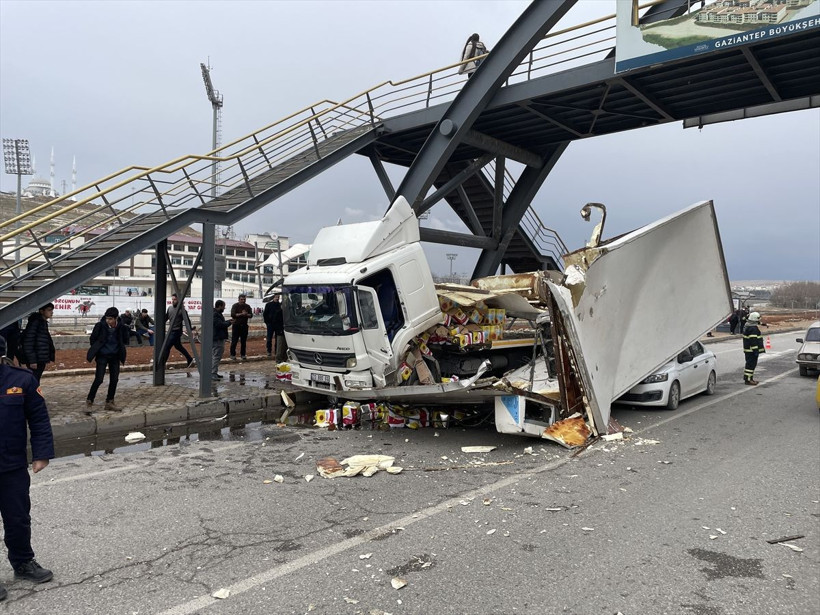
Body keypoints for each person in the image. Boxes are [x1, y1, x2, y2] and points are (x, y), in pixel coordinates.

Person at [0, 334, 55, 601]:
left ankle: (22, 562)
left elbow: (39, 419)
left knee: (18, 519)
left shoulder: (21, 380)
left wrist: (42, 454)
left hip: (11, 467)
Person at [85, 307, 130, 412]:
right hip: (102, 356)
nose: (108, 321)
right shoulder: (100, 326)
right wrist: (99, 349)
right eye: (107, 318)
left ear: (116, 318)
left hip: (115, 356)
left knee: (114, 379)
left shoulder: (121, 327)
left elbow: (124, 340)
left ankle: (109, 401)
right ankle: (89, 401)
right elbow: (92, 339)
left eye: (110, 319)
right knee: (99, 379)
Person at [20, 303, 56, 383]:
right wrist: (32, 361)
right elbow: (28, 342)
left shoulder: (42, 323)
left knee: (35, 381)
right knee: (33, 382)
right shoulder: (35, 323)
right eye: (49, 310)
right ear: (42, 311)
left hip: (40, 359)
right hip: (35, 359)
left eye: (52, 310)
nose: (52, 312)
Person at [163, 293, 194, 368]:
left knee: (167, 346)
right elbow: (166, 318)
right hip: (171, 331)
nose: (173, 301)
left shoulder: (182, 310)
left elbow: (187, 321)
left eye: (175, 299)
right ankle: (189, 358)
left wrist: (189, 330)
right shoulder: (169, 308)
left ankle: (162, 364)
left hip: (176, 331)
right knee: (178, 346)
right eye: (172, 299)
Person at [742, 311, 766, 385]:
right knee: (751, 365)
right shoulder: (753, 329)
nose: (759, 320)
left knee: (749, 364)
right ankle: (748, 380)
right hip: (751, 350)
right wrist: (755, 350)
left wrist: (762, 324)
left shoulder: (748, 326)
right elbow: (753, 341)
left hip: (748, 349)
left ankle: (748, 378)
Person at [211, 300, 232, 380]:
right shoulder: (216, 314)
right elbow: (219, 325)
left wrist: (227, 321)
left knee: (214, 356)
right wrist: (229, 323)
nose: (224, 308)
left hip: (216, 337)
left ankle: (214, 372)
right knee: (216, 356)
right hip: (217, 338)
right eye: (223, 306)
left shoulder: (216, 313)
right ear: (219, 306)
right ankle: (213, 373)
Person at [229, 294, 253, 361]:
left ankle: (243, 354)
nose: (243, 301)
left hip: (244, 326)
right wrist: (241, 314)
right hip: (236, 326)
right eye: (241, 299)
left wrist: (246, 314)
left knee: (243, 341)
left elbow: (251, 315)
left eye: (244, 299)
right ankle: (232, 354)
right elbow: (233, 314)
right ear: (238, 299)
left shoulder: (247, 306)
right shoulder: (235, 306)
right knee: (234, 341)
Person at [270, 293, 288, 362]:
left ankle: (284, 359)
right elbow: (275, 322)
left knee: (285, 347)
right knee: (280, 346)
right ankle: (279, 360)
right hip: (280, 331)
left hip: (287, 331)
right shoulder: (278, 313)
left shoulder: (288, 313)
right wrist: (279, 330)